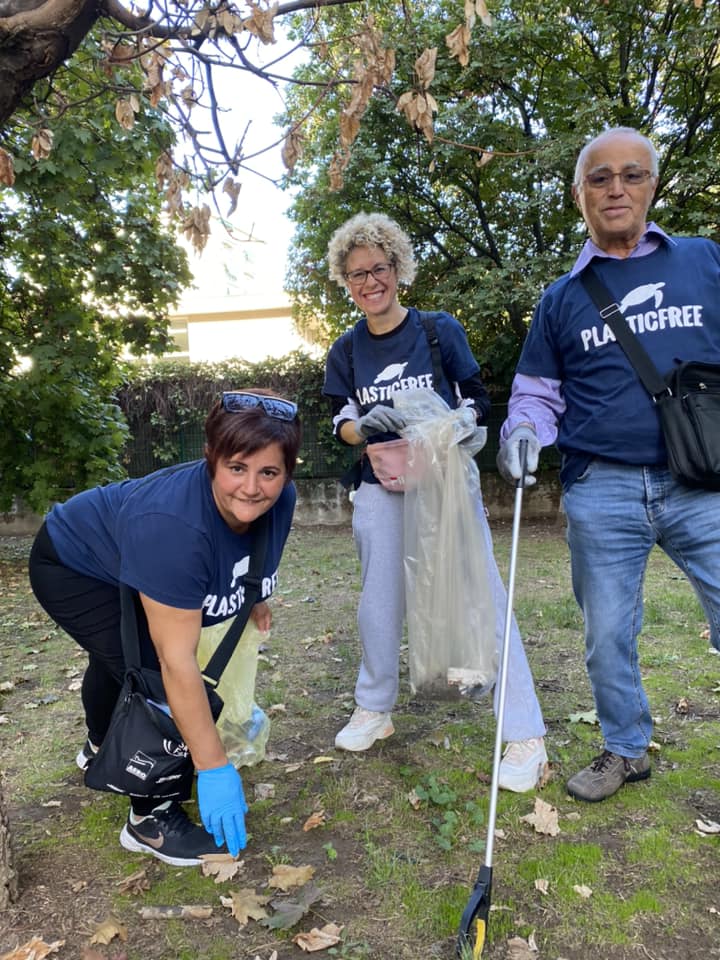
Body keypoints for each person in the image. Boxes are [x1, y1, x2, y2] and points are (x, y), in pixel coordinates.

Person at [497, 126, 720, 802]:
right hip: (603, 490)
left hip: (703, 484)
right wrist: (523, 436)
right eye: (600, 178)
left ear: (652, 186)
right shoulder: (563, 298)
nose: (616, 188)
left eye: (631, 175)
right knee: (605, 637)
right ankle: (625, 748)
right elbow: (536, 395)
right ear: (579, 195)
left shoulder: (706, 262)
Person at [323, 211, 547, 793]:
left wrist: (464, 424)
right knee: (378, 600)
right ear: (344, 281)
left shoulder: (435, 330)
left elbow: (475, 397)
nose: (368, 282)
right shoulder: (345, 351)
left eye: (378, 269)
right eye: (355, 274)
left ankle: (524, 732)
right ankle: (375, 708)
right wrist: (361, 428)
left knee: (484, 592)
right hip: (380, 487)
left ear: (398, 269)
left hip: (445, 483)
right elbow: (339, 421)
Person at [28, 390, 301, 864]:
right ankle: (149, 818)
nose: (253, 488)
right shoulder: (173, 528)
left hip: (126, 551)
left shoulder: (283, 499)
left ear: (287, 472)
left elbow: (257, 549)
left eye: (269, 472)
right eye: (237, 468)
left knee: (118, 659)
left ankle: (99, 743)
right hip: (73, 564)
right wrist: (213, 766)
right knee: (147, 669)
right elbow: (176, 667)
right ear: (211, 459)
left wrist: (257, 597)